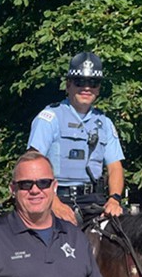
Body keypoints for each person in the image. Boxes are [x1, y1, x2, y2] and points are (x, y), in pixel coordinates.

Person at [27, 51, 125, 224]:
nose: (87, 88)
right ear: (68, 85)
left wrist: (114, 199)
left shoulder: (105, 123)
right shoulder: (50, 118)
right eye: (80, 82)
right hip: (56, 198)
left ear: (99, 88)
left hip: (94, 202)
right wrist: (53, 202)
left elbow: (115, 167)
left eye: (93, 83)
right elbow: (31, 164)